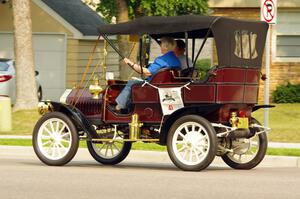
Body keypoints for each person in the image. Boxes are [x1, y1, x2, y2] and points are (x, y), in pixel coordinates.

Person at [115, 37, 181, 111]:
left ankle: (120, 106)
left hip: (153, 86)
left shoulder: (162, 59)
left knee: (131, 83)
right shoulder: (176, 60)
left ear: (165, 47)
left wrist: (131, 63)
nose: (160, 46)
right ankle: (129, 107)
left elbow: (146, 72)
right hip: (164, 85)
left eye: (161, 44)